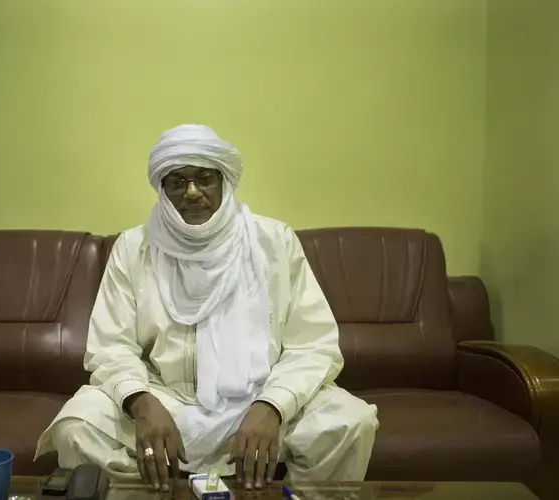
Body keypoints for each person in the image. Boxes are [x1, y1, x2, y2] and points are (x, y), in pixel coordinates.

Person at [35, 124, 378, 491]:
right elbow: (111, 345)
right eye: (178, 181)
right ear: (163, 190)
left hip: (261, 394)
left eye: (204, 179)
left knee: (349, 422)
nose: (193, 192)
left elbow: (312, 344)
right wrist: (142, 403)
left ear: (224, 181)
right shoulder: (134, 248)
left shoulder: (274, 242)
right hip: (165, 396)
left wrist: (273, 406)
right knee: (77, 425)